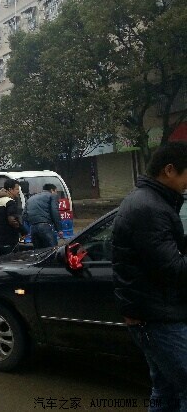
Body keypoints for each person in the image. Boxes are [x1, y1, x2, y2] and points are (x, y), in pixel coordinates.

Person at [112, 142, 187, 411]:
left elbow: (165, 250)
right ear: (169, 170)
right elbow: (173, 269)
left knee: (165, 389)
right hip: (158, 319)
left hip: (153, 314)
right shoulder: (149, 208)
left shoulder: (151, 202)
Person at [22, 183, 63, 249]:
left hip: (33, 228)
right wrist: (59, 229)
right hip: (45, 227)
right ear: (52, 190)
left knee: (39, 252)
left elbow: (24, 215)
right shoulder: (52, 195)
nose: (56, 193)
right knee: (52, 250)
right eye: (56, 191)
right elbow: (55, 211)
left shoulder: (31, 198)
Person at [0, 179, 26, 256]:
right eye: (17, 189)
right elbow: (12, 220)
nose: (18, 192)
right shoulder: (10, 202)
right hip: (9, 239)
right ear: (10, 189)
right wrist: (23, 231)